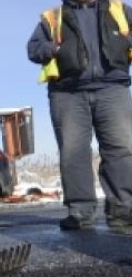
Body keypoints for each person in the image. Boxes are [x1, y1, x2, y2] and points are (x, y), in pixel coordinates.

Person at [27, 0, 132, 232]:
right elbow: (33, 49)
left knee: (120, 149)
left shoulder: (120, 10)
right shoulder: (53, 17)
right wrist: (54, 49)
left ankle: (123, 212)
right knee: (73, 151)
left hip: (113, 88)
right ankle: (81, 212)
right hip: (67, 92)